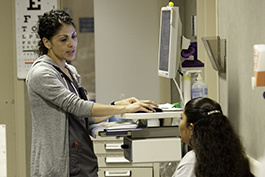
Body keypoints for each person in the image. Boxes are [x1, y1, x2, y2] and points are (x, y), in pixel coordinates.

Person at [26, 9, 158, 177]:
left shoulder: (70, 71)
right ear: (47, 42)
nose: (71, 44)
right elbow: (77, 106)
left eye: (73, 36)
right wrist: (124, 110)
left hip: (82, 159)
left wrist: (117, 105)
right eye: (63, 39)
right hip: (60, 166)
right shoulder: (41, 73)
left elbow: (84, 117)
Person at [172, 97, 253, 177]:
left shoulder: (191, 163)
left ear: (191, 128)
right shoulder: (236, 158)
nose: (179, 124)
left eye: (181, 118)